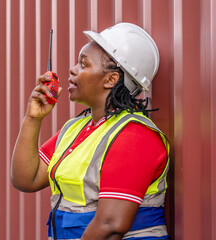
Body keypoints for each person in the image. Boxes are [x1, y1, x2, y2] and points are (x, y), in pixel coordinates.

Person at [11, 22, 170, 240]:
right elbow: (25, 179)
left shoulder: (134, 136)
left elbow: (110, 225)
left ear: (111, 79)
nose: (73, 69)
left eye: (83, 64)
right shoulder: (75, 129)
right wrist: (32, 119)